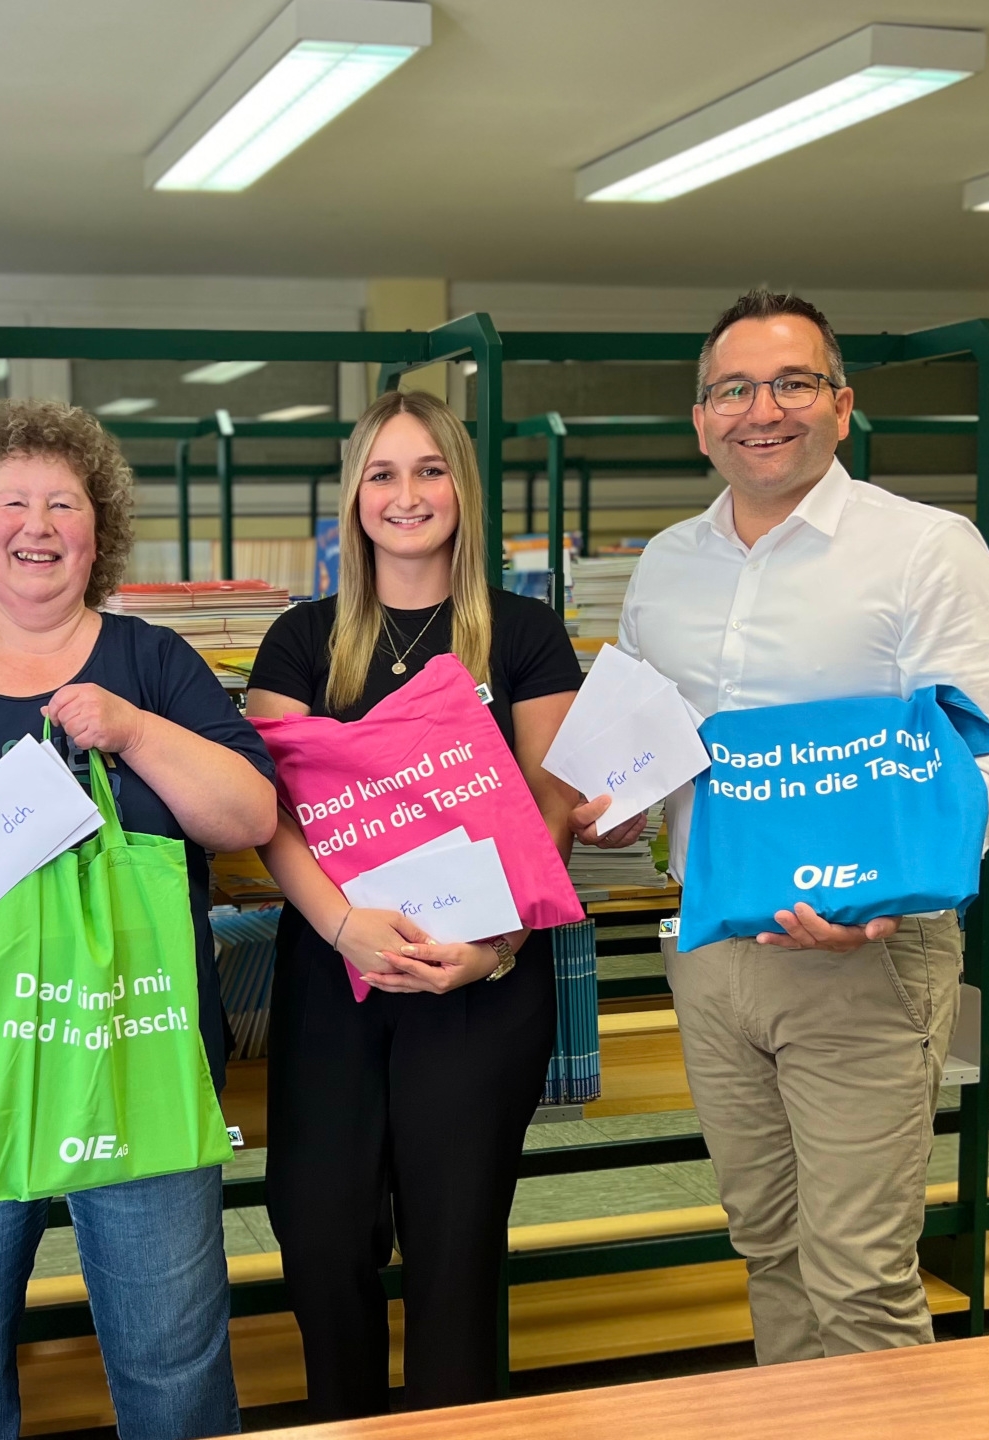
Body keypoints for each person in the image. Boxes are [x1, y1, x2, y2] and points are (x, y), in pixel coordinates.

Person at [572, 288, 989, 1365]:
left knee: (859, 1272)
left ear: (842, 404)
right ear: (700, 417)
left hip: (862, 956)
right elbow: (644, 753)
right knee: (767, 1244)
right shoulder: (667, 566)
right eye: (734, 388)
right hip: (716, 950)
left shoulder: (924, 547)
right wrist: (607, 808)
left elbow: (982, 769)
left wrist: (887, 894)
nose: (760, 409)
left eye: (792, 383)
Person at [0, 400, 276, 1440]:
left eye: (64, 503)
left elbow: (250, 814)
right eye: (13, 503)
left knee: (173, 1350)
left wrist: (130, 729)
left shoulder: (150, 664)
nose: (39, 525)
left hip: (137, 1058)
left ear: (99, 530)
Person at [246, 389, 582, 1415]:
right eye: (383, 474)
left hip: (479, 986)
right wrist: (346, 926)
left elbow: (551, 808)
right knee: (321, 1236)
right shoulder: (301, 642)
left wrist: (496, 947)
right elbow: (273, 822)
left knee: (455, 1255)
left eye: (430, 470)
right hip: (335, 980)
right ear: (354, 498)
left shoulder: (524, 634)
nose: (407, 494)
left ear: (461, 489)